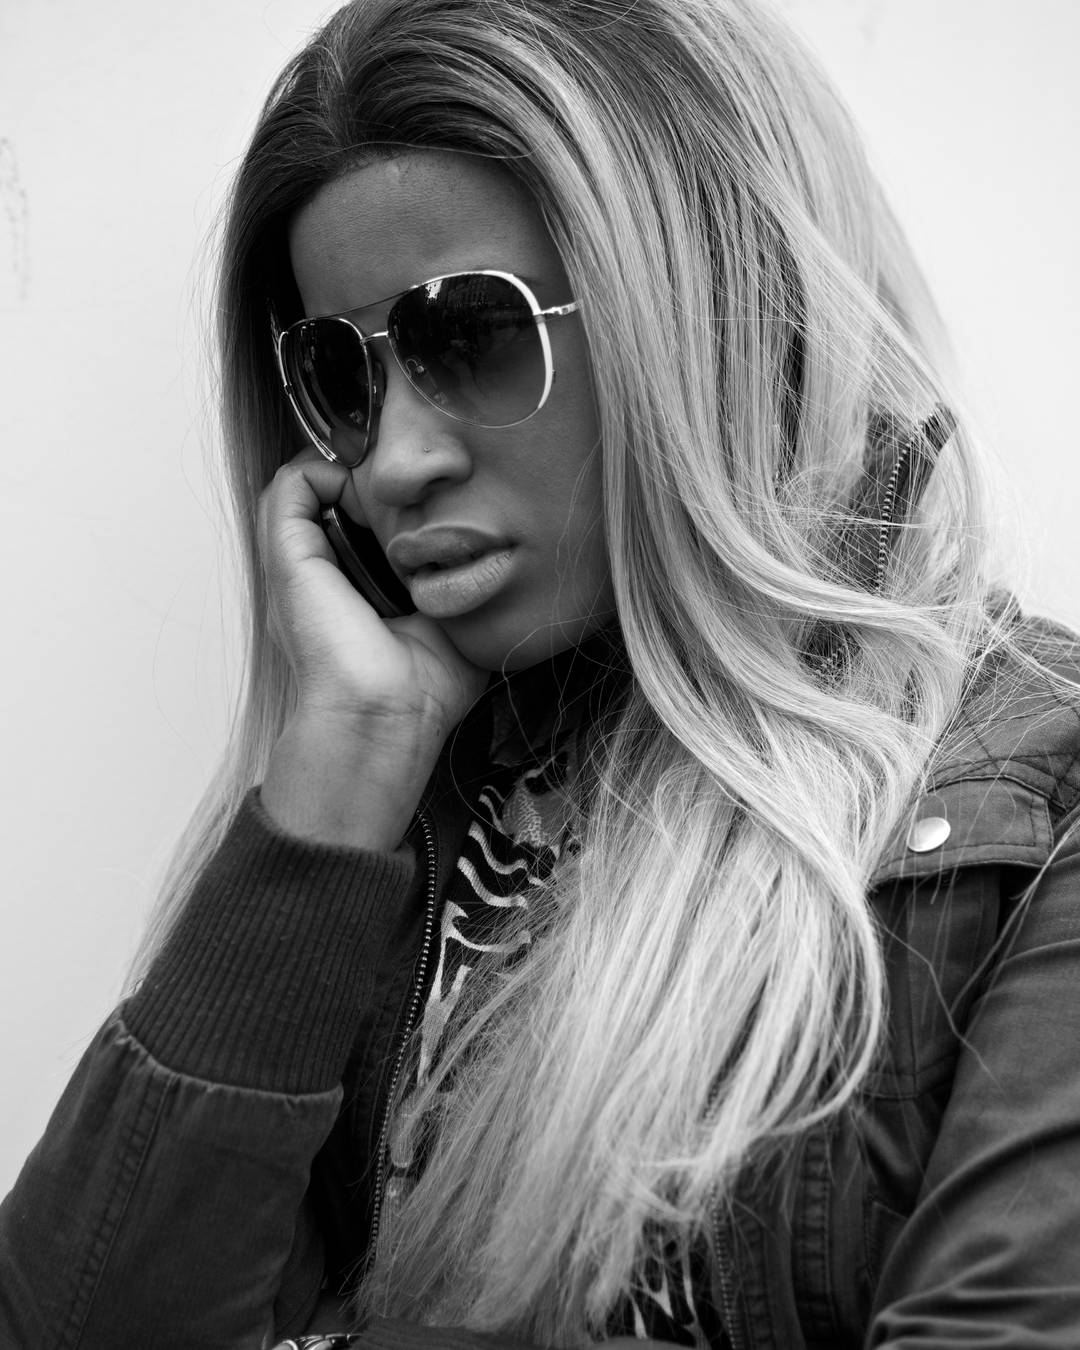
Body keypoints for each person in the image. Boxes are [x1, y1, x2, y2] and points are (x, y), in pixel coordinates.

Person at [3, 0, 1080, 1346]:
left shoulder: (1031, 810)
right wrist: (336, 778)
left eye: (472, 334)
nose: (395, 463)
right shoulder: (402, 813)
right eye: (339, 374)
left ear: (714, 305)